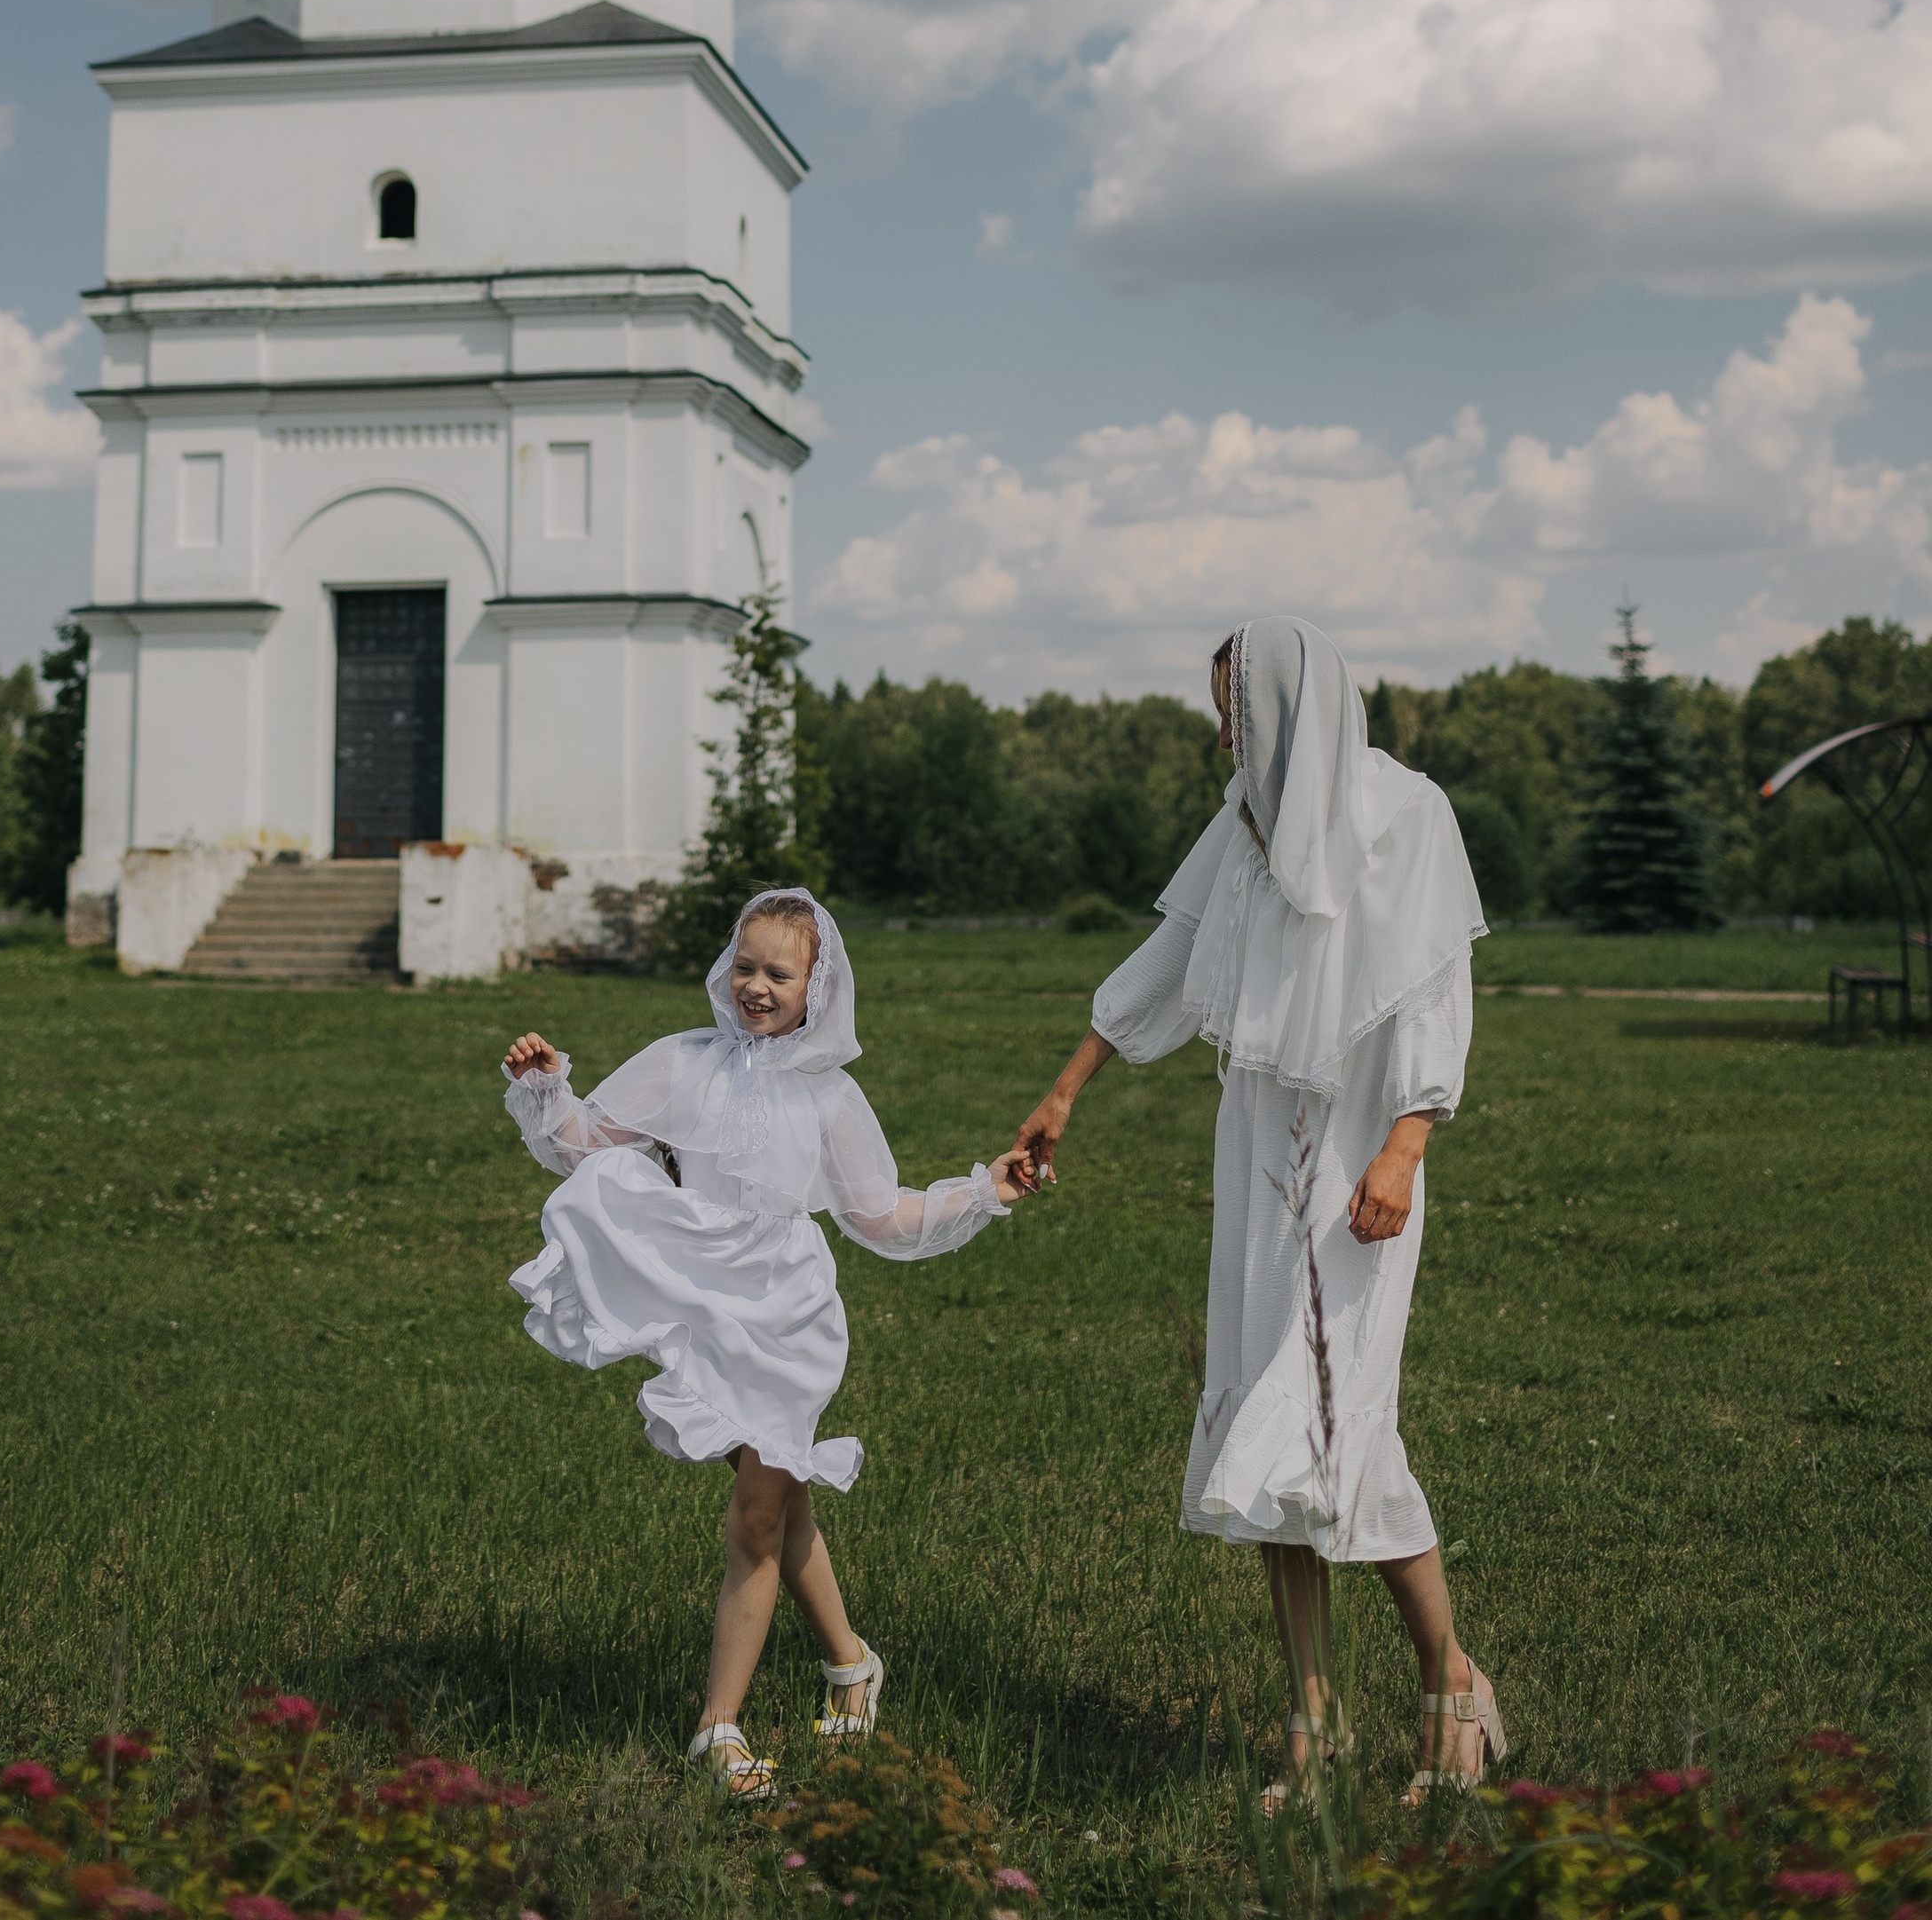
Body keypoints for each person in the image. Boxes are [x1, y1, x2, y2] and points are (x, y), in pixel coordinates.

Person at [1014, 617, 1501, 1809]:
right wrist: (1065, 1090)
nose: (1226, 738)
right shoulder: (1242, 824)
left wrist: (1406, 1143)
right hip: (1260, 1146)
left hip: (1362, 1153)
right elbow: (1169, 955)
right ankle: (1312, 1722)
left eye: (1237, 714)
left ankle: (1454, 1688)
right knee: (1265, 1439)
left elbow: (1435, 992)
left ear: (1293, 705)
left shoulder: (1408, 815)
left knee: (1341, 1432)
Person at [503, 886, 1031, 1798]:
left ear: (816, 986)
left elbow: (880, 1213)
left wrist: (983, 1190)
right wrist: (547, 1084)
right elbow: (588, 1146)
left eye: (778, 973)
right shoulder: (684, 1060)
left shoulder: (829, 1095)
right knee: (774, 1503)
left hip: (788, 1316)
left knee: (756, 1511)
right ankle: (851, 1664)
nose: (756, 985)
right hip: (707, 1303)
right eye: (744, 966)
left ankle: (718, 1731)